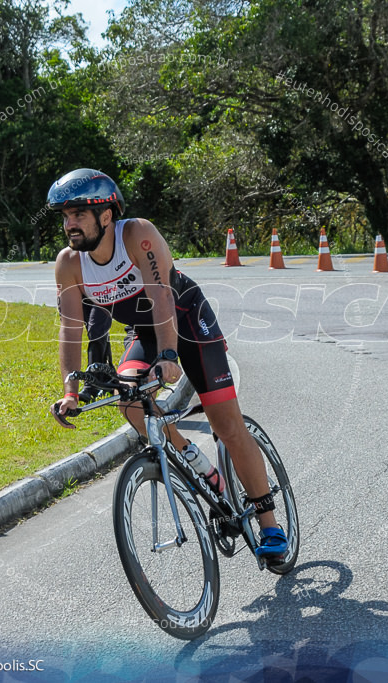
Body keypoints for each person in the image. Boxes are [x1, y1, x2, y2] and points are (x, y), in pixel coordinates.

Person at [48, 168, 287, 559]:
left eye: (77, 215)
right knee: (129, 399)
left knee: (226, 425)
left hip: (188, 322)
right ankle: (197, 462)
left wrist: (169, 355)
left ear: (105, 215)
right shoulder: (69, 263)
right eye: (64, 216)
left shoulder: (136, 234)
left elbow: (161, 296)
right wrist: (70, 390)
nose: (69, 224)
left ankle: (269, 523)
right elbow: (70, 328)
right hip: (143, 333)